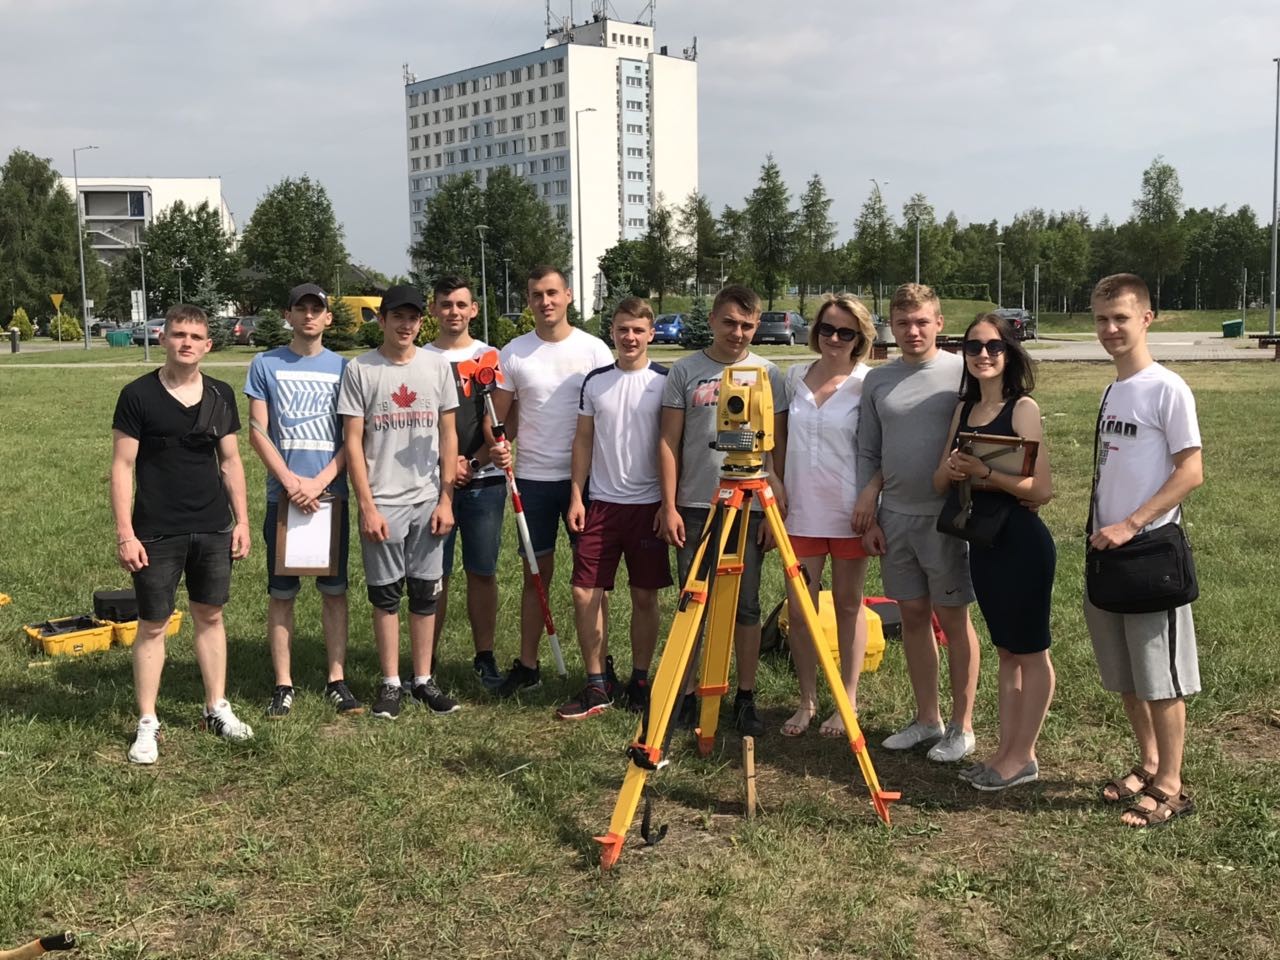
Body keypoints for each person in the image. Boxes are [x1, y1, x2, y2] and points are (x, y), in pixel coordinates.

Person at [110, 303, 254, 764]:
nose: (186, 343)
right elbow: (122, 466)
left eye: (194, 337)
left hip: (213, 526)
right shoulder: (138, 395)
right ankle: (147, 721)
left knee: (210, 616)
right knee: (153, 624)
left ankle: (216, 707)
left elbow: (230, 462)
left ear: (207, 345)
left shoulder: (220, 394)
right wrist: (126, 533)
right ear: (163, 338)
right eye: (178, 334)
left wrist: (242, 521)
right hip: (156, 531)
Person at [1086, 273, 1202, 828]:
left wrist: (1132, 524)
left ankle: (1172, 787)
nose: (1110, 329)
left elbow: (1191, 471)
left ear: (1146, 319)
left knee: (1160, 679)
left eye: (1121, 318)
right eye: (1102, 319)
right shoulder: (1113, 390)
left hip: (1149, 554)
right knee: (1128, 677)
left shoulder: (1167, 388)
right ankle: (1150, 763)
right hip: (1107, 553)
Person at [854, 282, 981, 763]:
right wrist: (870, 507)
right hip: (895, 516)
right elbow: (868, 450)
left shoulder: (962, 372)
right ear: (891, 325)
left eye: (922, 322)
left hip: (947, 518)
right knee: (911, 615)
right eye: (903, 322)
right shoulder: (878, 380)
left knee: (953, 618)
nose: (913, 331)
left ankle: (963, 725)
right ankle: (928, 718)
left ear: (939, 324)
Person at [658, 284, 789, 736]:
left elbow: (779, 445)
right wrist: (669, 505)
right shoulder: (686, 371)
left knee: (746, 605)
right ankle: (687, 694)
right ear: (713, 319)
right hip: (696, 505)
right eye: (730, 322)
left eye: (747, 325)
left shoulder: (769, 373)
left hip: (750, 505)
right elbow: (668, 441)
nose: (738, 332)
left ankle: (745, 697)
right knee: (693, 603)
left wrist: (775, 504)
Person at [932, 313, 1055, 790]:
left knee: (1031, 651)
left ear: (1009, 352)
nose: (983, 355)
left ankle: (1023, 756)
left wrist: (985, 474)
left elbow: (1040, 489)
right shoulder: (963, 409)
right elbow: (938, 482)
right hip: (983, 543)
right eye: (973, 346)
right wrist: (953, 470)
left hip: (1022, 543)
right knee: (1006, 651)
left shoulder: (1022, 408)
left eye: (994, 346)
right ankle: (1006, 751)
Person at [489, 265, 613, 697]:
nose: (545, 302)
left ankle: (602, 667)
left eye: (552, 293)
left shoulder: (594, 350)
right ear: (528, 301)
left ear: (568, 296)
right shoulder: (515, 353)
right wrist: (497, 446)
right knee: (535, 576)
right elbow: (500, 420)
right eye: (537, 295)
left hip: (588, 482)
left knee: (594, 582)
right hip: (533, 480)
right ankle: (528, 665)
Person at [337, 284, 460, 720]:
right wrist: (367, 506)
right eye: (397, 317)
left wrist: (446, 499)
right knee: (386, 595)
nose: (405, 325)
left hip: (428, 499)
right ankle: (390, 682)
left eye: (412, 318)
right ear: (382, 319)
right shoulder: (361, 370)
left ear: (421, 322)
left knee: (426, 592)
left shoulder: (437, 366)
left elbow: (449, 434)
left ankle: (422, 679)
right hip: (383, 501)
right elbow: (353, 442)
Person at [245, 283, 360, 719]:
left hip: (330, 499)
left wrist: (321, 482)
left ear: (328, 317)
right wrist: (291, 483)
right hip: (284, 499)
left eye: (317, 309)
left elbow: (353, 437)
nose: (309, 315)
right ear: (288, 315)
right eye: (301, 308)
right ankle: (283, 683)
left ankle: (336, 679)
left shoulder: (345, 369)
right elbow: (258, 431)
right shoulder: (265, 364)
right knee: (282, 594)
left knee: (334, 592)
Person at [557, 297, 671, 720]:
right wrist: (576, 495)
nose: (630, 337)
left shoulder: (665, 381)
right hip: (601, 505)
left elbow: (673, 445)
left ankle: (640, 680)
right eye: (623, 329)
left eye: (638, 330)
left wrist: (668, 504)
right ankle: (597, 682)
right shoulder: (596, 381)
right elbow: (583, 440)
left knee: (644, 596)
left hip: (648, 507)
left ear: (651, 334)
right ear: (612, 332)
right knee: (584, 592)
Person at [779, 294, 878, 738]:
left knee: (848, 605)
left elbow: (879, 448)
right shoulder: (793, 378)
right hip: (800, 511)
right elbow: (778, 438)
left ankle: (847, 698)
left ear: (860, 338)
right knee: (801, 609)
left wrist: (870, 497)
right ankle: (807, 699)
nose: (834, 338)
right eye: (826, 329)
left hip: (851, 513)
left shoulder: (868, 383)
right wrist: (775, 479)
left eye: (845, 332)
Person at [423, 275, 507, 690]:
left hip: (483, 480)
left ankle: (485, 656)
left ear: (474, 309)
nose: (453, 312)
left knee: (482, 571)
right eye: (445, 304)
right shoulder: (420, 358)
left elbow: (499, 420)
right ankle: (427, 660)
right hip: (433, 484)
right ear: (433, 310)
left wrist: (472, 462)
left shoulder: (488, 356)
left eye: (461, 304)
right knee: (433, 575)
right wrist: (445, 465)